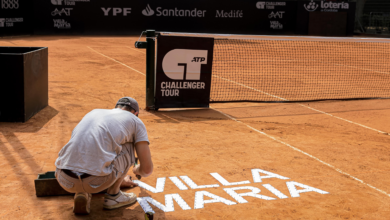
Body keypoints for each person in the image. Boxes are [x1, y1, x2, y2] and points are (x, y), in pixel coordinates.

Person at [54, 97, 153, 214]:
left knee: (88, 145)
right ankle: (114, 195)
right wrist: (136, 169)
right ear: (135, 113)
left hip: (64, 178)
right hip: (95, 180)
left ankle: (82, 193)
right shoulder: (135, 121)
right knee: (129, 143)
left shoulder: (94, 112)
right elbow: (147, 170)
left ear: (116, 108)